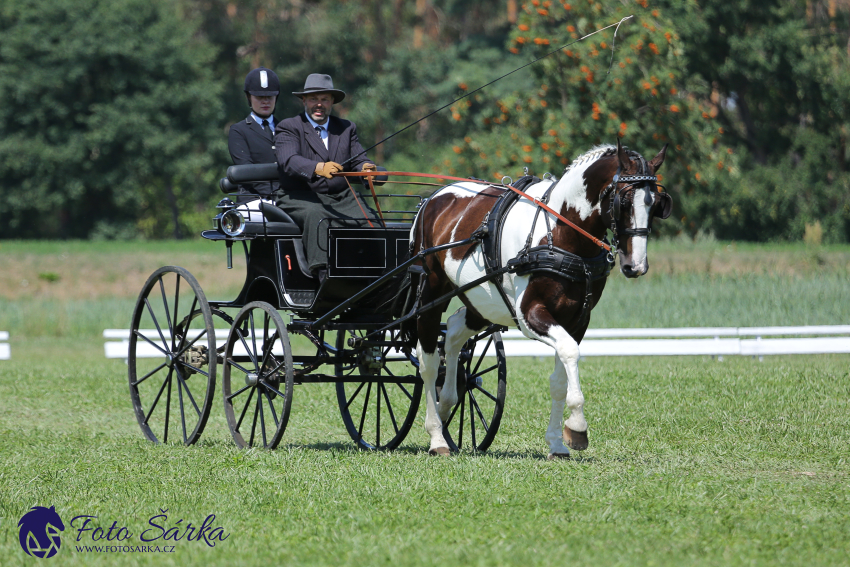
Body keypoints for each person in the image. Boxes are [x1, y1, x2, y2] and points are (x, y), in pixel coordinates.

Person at [274, 73, 379, 276]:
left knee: (371, 220)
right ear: (304, 100)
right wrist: (318, 168)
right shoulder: (289, 127)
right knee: (319, 217)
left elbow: (358, 160)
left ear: (332, 102)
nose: (319, 104)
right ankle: (323, 274)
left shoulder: (346, 128)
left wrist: (367, 169)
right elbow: (289, 160)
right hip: (301, 196)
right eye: (314, 99)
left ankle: (377, 273)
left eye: (324, 99)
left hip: (343, 198)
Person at [228, 67, 280, 204]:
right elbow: (247, 171)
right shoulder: (239, 131)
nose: (265, 101)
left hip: (286, 198)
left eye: (269, 97)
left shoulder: (287, 128)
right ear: (248, 97)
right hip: (253, 200)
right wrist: (276, 195)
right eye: (259, 97)